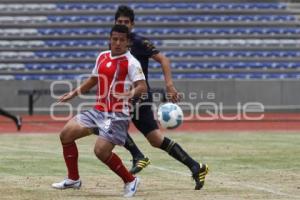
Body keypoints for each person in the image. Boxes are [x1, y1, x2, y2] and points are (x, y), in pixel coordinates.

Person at [113, 5, 209, 190]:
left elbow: (164, 60)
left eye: (126, 22)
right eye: (120, 22)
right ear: (115, 23)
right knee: (156, 139)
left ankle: (138, 156)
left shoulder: (140, 42)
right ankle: (196, 167)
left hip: (138, 95)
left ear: (132, 24)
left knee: (108, 120)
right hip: (124, 95)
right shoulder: (115, 43)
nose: (123, 25)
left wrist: (170, 85)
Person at [51, 24, 147, 197]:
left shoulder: (131, 62)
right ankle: (73, 179)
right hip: (98, 111)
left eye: (121, 40)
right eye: (114, 39)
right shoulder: (102, 56)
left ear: (127, 43)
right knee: (66, 134)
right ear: (109, 40)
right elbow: (92, 80)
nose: (117, 43)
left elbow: (142, 87)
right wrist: (73, 93)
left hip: (117, 115)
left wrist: (127, 93)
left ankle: (130, 180)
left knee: (101, 151)